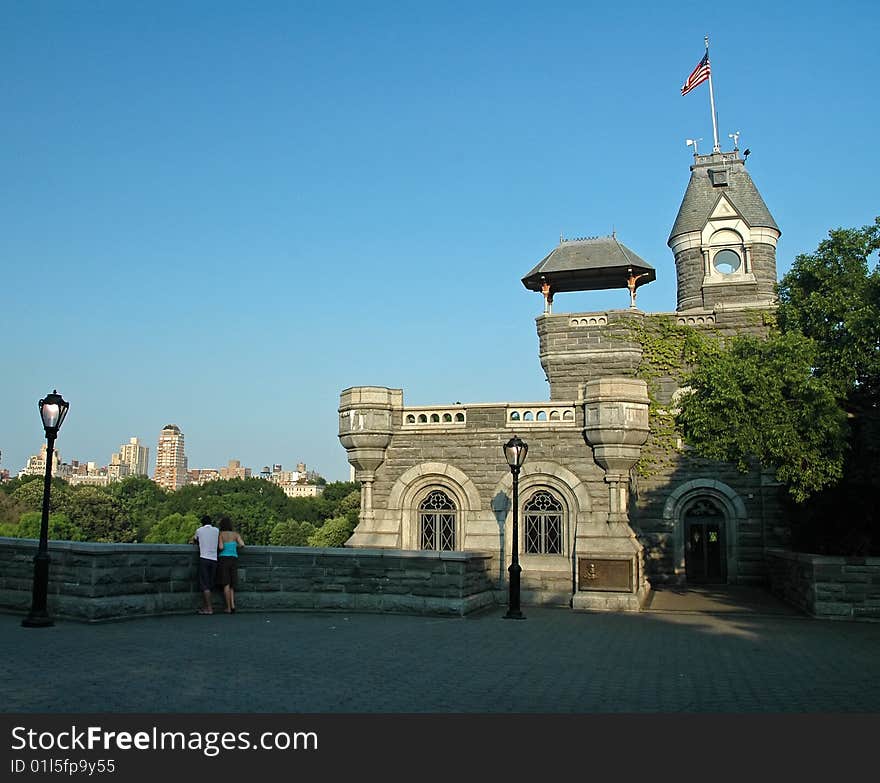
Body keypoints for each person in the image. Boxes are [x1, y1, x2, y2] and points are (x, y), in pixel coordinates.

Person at [190, 514, 220, 615]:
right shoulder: (216, 530)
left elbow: (194, 539)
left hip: (204, 558)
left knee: (205, 585)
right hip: (214, 559)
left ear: (202, 523)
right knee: (210, 584)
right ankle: (205, 607)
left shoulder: (199, 530)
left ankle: (209, 608)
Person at [216, 516, 245, 614]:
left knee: (226, 583)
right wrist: (233, 545)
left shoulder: (221, 534)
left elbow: (221, 547)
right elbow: (242, 544)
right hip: (233, 558)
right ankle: (233, 605)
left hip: (223, 559)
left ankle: (228, 607)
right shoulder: (235, 534)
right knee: (232, 584)